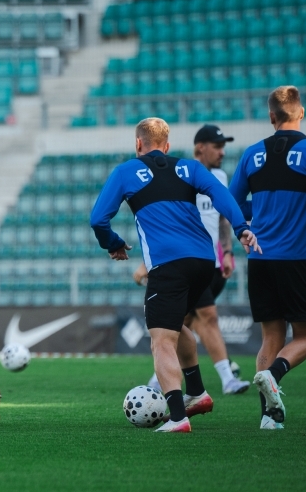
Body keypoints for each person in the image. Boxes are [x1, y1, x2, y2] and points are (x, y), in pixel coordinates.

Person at [90, 117, 261, 433]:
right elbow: (222, 195)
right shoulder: (189, 167)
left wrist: (113, 243)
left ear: (138, 143)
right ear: (166, 146)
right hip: (204, 263)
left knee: (161, 341)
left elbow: (98, 219)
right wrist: (242, 229)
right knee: (177, 326)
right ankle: (196, 392)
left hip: (168, 264)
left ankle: (178, 417)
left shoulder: (126, 172)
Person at [229, 86, 306, 430]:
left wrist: (256, 217)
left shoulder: (251, 154)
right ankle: (274, 374)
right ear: (301, 112)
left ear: (271, 117)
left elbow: (233, 202)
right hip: (298, 259)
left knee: (270, 338)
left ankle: (269, 417)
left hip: (260, 261)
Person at [135, 124, 251, 395]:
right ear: (201, 148)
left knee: (180, 324)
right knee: (206, 317)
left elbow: (222, 219)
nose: (222, 152)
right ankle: (226, 378)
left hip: (210, 263)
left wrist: (227, 251)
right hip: (187, 260)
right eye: (217, 146)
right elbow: (165, 223)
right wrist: (146, 263)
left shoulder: (219, 176)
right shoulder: (180, 175)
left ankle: (159, 379)